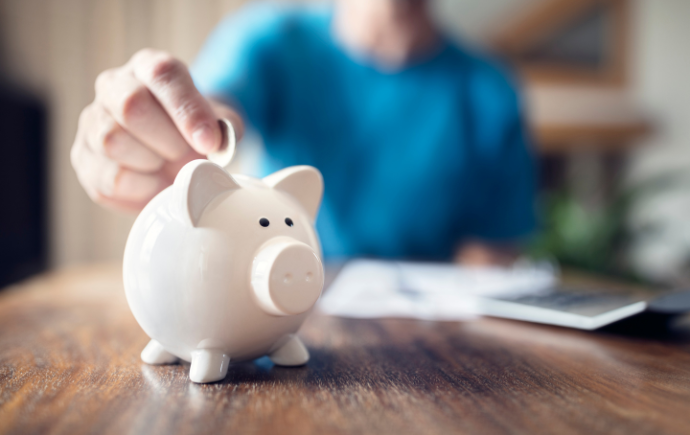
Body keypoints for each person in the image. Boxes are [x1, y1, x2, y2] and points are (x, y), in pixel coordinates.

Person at [71, 0, 536, 264]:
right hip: (279, 304)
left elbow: (489, 260)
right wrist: (178, 128)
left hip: (428, 355)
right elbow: (219, 108)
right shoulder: (269, 39)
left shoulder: (491, 92)